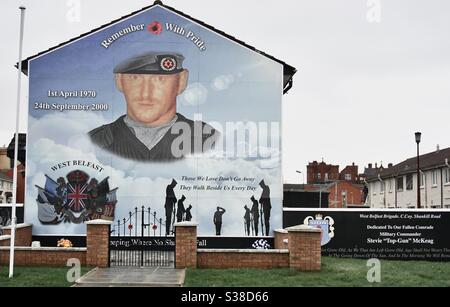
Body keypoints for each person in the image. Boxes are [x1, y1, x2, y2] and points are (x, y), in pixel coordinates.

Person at [88, 51, 219, 162]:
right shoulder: (95, 142)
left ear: (182, 81)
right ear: (119, 81)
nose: (146, 93)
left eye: (160, 79)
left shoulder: (208, 138)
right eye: (135, 78)